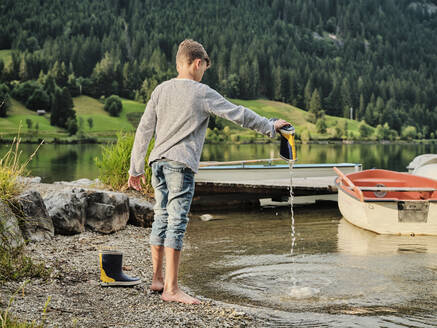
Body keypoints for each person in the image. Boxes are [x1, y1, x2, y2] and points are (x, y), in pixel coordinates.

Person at [128, 39, 291, 304]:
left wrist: (135, 168)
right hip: (180, 165)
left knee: (161, 217)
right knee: (177, 222)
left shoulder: (160, 90)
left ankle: (157, 280)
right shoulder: (200, 92)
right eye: (204, 67)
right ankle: (171, 289)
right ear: (197, 63)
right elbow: (237, 113)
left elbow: (144, 129)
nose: (203, 72)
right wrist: (270, 126)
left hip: (156, 163)